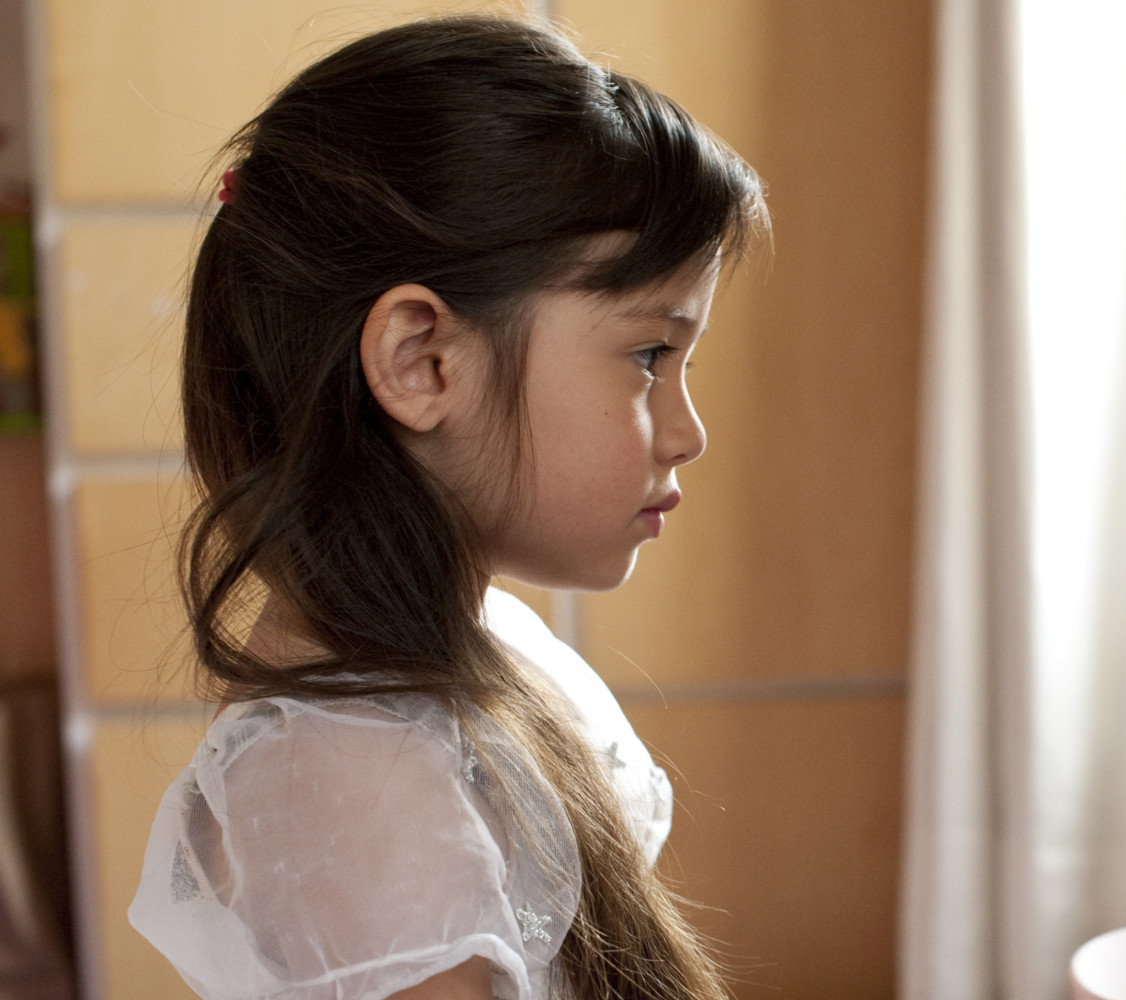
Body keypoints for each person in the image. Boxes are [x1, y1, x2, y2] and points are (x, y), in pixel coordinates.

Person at [126, 14, 765, 1000]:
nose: (688, 432)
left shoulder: (477, 648)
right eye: (648, 357)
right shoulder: (348, 777)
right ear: (421, 359)